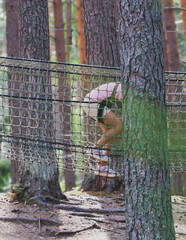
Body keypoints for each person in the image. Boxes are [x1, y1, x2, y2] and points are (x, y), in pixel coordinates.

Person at [83, 82, 122, 177]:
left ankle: (102, 167)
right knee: (119, 125)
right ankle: (95, 148)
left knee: (110, 134)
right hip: (93, 103)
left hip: (95, 104)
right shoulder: (124, 88)